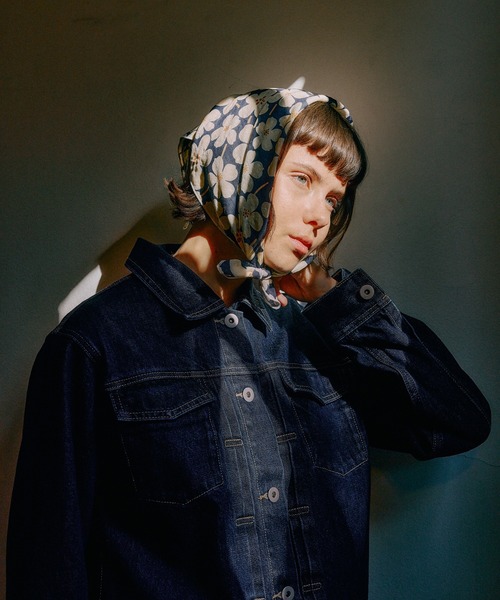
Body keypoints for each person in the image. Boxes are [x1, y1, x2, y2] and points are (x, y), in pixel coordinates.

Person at [7, 88, 491, 599]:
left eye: (333, 199)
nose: (321, 217)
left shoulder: (316, 336)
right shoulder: (94, 343)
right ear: (234, 168)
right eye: (302, 179)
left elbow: (457, 421)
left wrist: (337, 301)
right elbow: (50, 565)